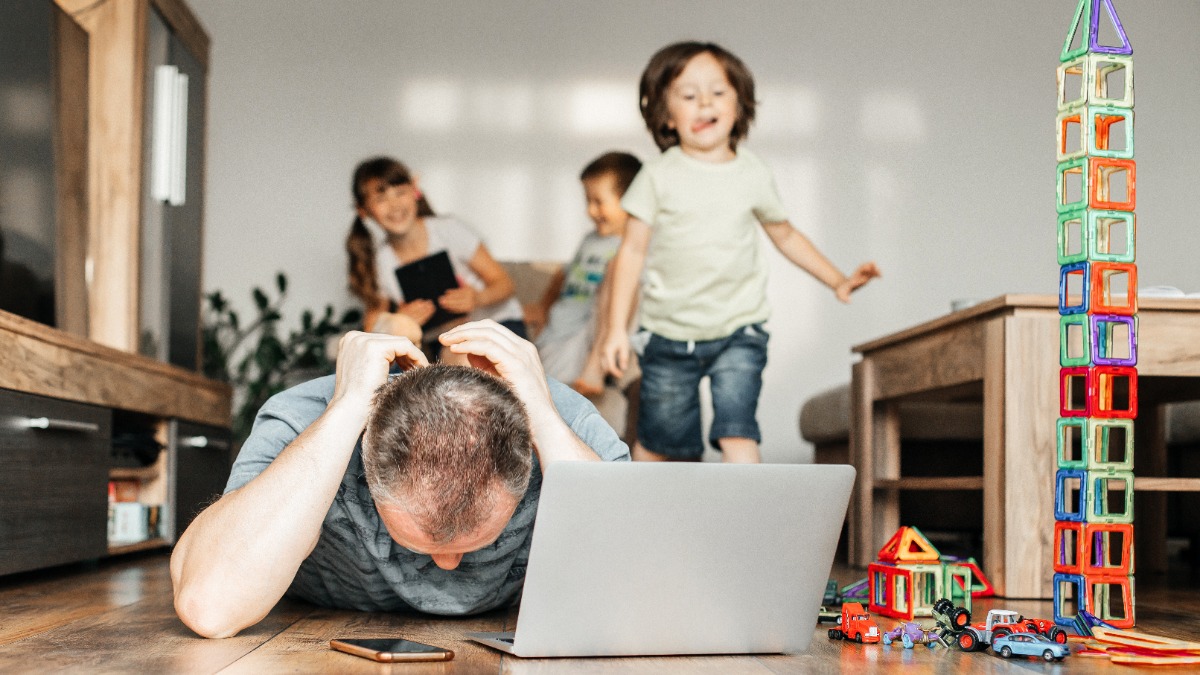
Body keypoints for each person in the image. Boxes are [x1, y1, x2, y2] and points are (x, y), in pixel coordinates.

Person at [170, 321, 629, 638]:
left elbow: (640, 587)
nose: (447, 565)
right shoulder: (303, 419)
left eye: (472, 540)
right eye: (423, 541)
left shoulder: (560, 419)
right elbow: (210, 607)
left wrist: (541, 414)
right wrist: (347, 408)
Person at [601, 41, 881, 464]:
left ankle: (754, 526)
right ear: (665, 113)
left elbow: (785, 235)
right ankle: (644, 520)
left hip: (739, 330)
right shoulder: (658, 176)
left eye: (717, 92)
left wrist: (838, 279)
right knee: (661, 444)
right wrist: (615, 330)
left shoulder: (752, 173)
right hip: (669, 335)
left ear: (740, 104)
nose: (704, 104)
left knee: (738, 432)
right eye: (689, 96)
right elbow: (632, 252)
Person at [345, 157, 525, 347]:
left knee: (477, 357)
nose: (394, 205)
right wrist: (398, 320)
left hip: (498, 325)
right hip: (446, 340)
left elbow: (505, 284)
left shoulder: (448, 230)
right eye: (381, 199)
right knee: (459, 358)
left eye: (400, 193)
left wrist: (478, 298)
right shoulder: (380, 261)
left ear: (415, 190)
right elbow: (372, 324)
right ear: (363, 210)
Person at [527, 151, 642, 396]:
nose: (591, 210)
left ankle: (596, 367)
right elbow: (561, 276)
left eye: (599, 202)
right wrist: (543, 309)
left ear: (631, 200)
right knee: (543, 386)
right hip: (560, 328)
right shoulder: (589, 240)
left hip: (596, 330)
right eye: (587, 201)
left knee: (618, 270)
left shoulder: (634, 246)